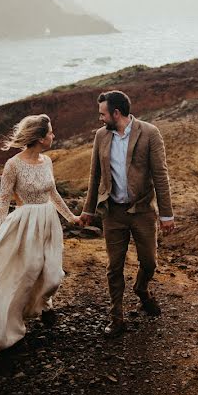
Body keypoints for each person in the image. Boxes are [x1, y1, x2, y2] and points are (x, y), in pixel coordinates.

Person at [0, 114, 80, 359]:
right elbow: (3, 201)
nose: (54, 136)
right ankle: (11, 330)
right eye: (51, 132)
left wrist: (72, 217)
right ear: (40, 138)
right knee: (28, 271)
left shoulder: (48, 161)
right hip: (26, 224)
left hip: (48, 222)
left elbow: (53, 193)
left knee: (52, 274)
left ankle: (43, 304)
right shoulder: (13, 165)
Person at [79, 90, 175, 338]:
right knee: (114, 266)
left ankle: (142, 288)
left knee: (149, 261)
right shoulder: (101, 136)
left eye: (102, 113)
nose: (100, 118)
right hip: (113, 212)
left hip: (142, 211)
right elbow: (95, 176)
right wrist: (88, 210)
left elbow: (160, 175)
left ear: (116, 113)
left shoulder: (150, 133)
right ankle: (117, 317)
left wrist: (166, 214)